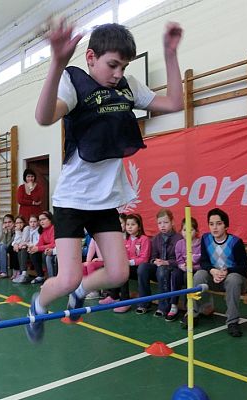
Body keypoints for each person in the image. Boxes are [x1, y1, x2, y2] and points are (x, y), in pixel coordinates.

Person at [26, 20, 184, 343]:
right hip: (72, 199)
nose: (117, 73)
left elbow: (174, 103)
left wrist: (170, 55)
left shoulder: (128, 86)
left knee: (119, 272)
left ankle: (82, 291)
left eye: (123, 67)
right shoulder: (73, 81)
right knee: (67, 278)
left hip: (105, 200)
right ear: (91, 58)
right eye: (112, 65)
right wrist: (57, 63)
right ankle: (38, 305)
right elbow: (43, 117)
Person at [184, 208, 247, 337]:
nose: (215, 227)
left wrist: (227, 271)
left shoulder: (235, 242)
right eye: (211, 224)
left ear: (226, 226)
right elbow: (204, 262)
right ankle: (192, 314)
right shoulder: (206, 239)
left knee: (233, 279)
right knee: (199, 275)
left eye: (219, 224)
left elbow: (244, 267)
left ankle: (232, 322)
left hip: (233, 280)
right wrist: (213, 271)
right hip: (214, 278)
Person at [136, 209, 182, 320]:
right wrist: (154, 261)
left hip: (172, 268)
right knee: (142, 268)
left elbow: (180, 260)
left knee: (162, 270)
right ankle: (144, 303)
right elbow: (152, 257)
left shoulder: (179, 238)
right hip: (159, 267)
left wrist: (166, 262)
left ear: (172, 222)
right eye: (159, 223)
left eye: (165, 222)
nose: (162, 226)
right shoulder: (156, 238)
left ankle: (163, 307)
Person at [173, 217, 202, 319]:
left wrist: (192, 267)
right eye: (185, 230)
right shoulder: (179, 244)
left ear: (196, 231)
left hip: (196, 270)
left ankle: (188, 307)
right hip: (184, 269)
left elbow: (202, 262)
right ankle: (173, 304)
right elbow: (179, 260)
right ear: (181, 231)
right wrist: (183, 266)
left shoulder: (200, 244)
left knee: (187, 277)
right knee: (175, 274)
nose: (187, 233)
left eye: (191, 230)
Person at [27, 211, 56, 284]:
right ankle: (40, 276)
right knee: (33, 253)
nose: (41, 222)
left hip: (55, 250)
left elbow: (54, 244)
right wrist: (33, 248)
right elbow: (40, 243)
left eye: (44, 219)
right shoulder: (43, 230)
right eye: (40, 220)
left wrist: (38, 248)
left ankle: (50, 278)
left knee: (44, 254)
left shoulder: (54, 228)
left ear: (50, 219)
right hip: (46, 249)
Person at [0, 214, 15, 279]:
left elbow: (10, 243)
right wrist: (5, 233)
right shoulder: (6, 230)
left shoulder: (15, 230)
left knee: (2, 247)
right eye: (5, 222)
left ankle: (4, 272)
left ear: (13, 222)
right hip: (8, 245)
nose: (7, 224)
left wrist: (9, 233)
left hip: (14, 246)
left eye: (9, 222)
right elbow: (4, 242)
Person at [10, 215, 29, 282]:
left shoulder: (26, 228)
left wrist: (18, 231)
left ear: (24, 223)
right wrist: (15, 244)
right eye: (17, 223)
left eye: (21, 222)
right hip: (21, 247)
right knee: (15, 250)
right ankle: (21, 273)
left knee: (22, 248)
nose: (19, 224)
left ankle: (23, 274)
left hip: (27, 247)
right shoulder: (18, 230)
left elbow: (23, 240)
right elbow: (15, 241)